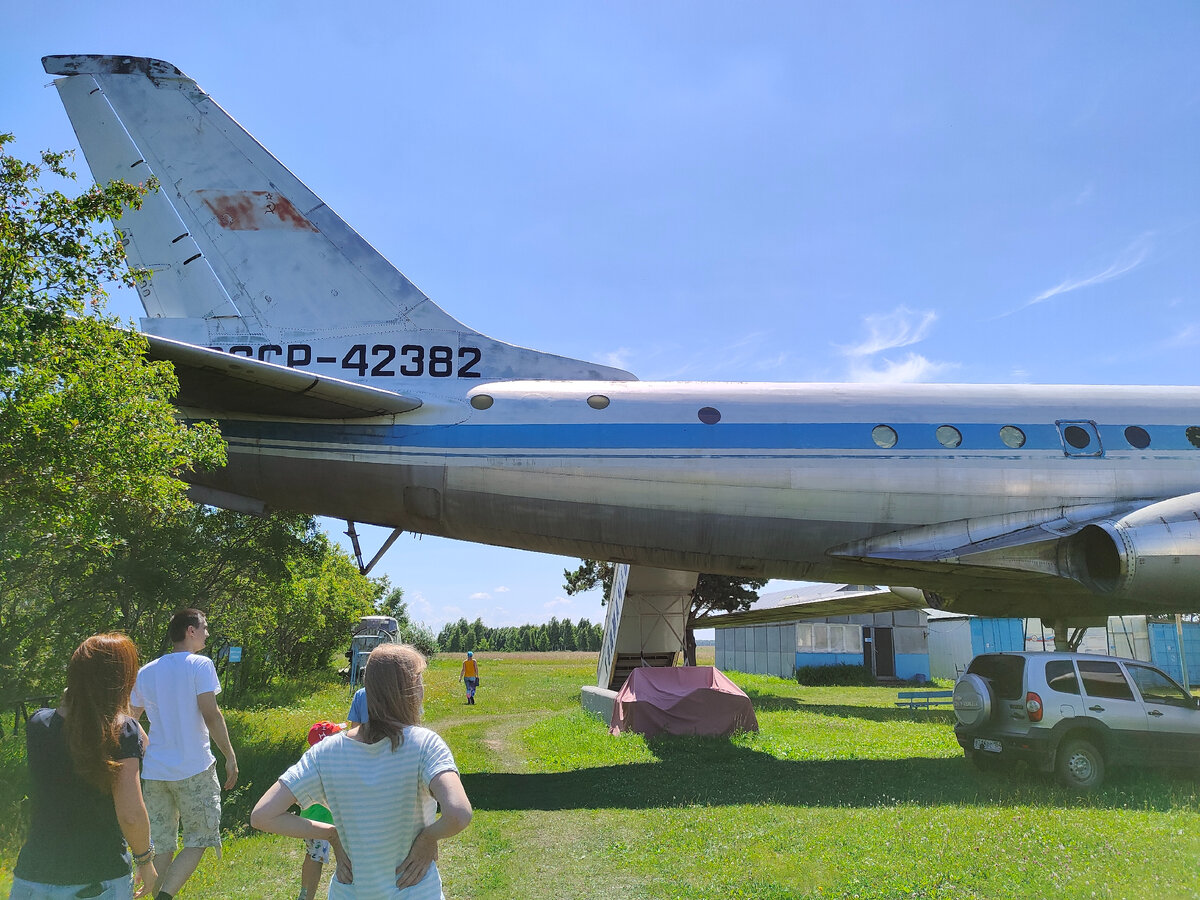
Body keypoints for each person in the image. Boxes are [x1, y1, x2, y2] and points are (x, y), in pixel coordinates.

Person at [252, 644, 473, 898]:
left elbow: (262, 815)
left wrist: (331, 834)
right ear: (408, 690)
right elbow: (458, 813)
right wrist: (427, 838)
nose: (423, 690)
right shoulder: (425, 745)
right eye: (419, 680)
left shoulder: (326, 751)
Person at [9, 633, 158, 900]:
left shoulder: (38, 725)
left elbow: (69, 720)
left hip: (33, 877)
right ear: (119, 680)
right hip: (97, 879)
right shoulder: (121, 732)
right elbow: (131, 814)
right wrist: (145, 860)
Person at [130, 609, 237, 900]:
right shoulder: (200, 665)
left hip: (155, 772)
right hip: (194, 769)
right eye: (204, 627)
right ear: (190, 630)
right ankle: (164, 896)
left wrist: (146, 746)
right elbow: (211, 714)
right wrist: (229, 754)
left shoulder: (147, 671)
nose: (207, 633)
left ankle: (158, 896)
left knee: (162, 844)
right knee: (200, 838)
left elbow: (130, 717)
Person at [295, 721, 345, 900]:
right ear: (326, 740)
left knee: (312, 855)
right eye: (336, 734)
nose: (341, 736)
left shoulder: (310, 761)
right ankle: (308, 896)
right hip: (321, 820)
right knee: (317, 858)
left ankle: (305, 892)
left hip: (310, 819)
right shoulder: (328, 762)